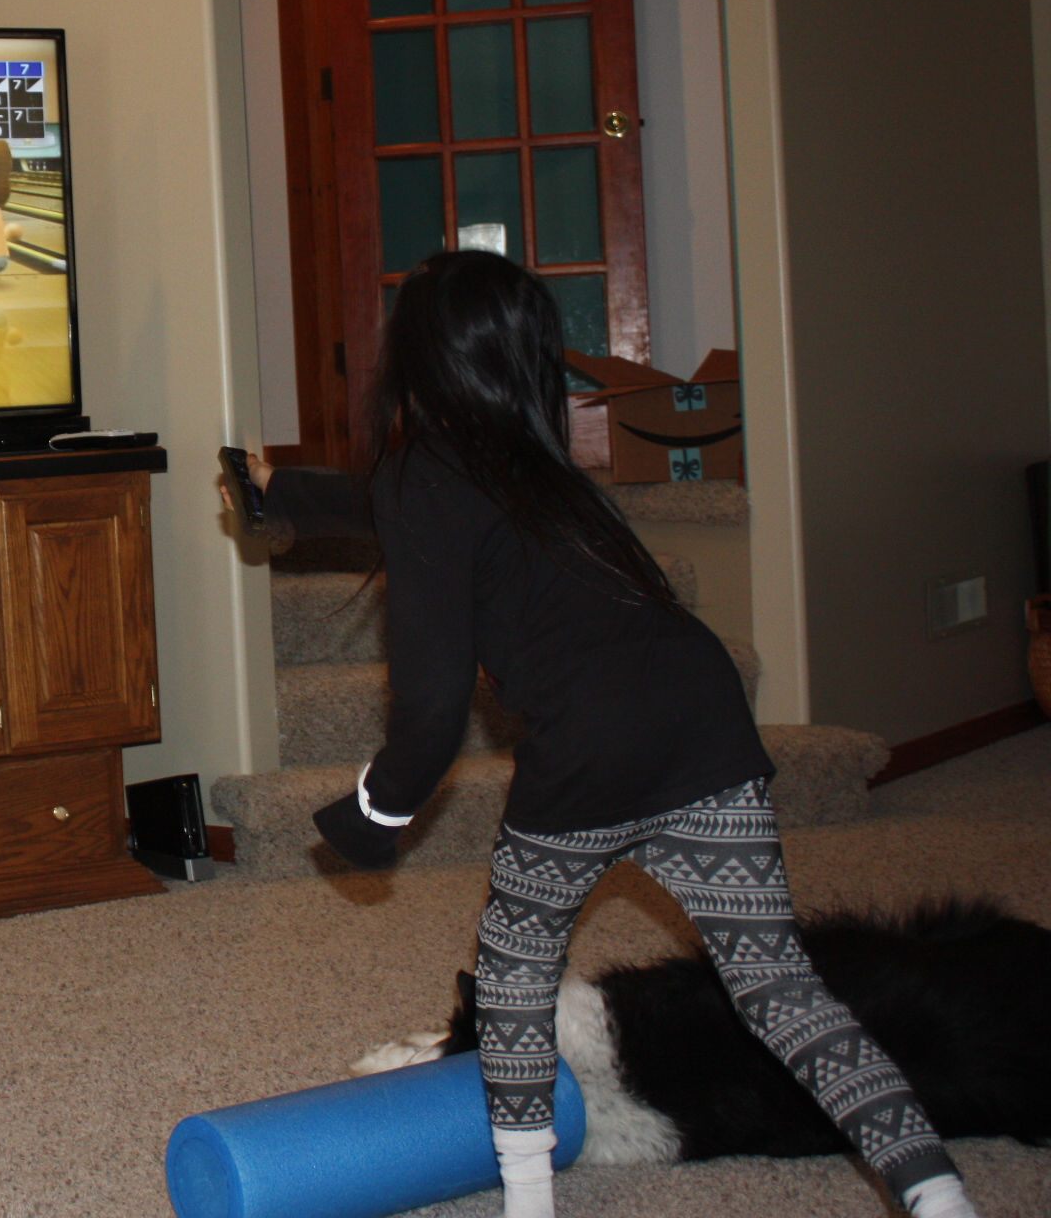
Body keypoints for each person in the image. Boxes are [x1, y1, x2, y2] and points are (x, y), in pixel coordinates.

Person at [231, 252, 982, 1218]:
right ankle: (936, 1193)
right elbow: (388, 502)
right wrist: (276, 490)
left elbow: (430, 714)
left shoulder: (429, 478)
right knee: (781, 991)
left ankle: (528, 1198)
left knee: (514, 978)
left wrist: (373, 815)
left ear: (416, 360)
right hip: (705, 726)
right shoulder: (546, 471)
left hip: (590, 756)